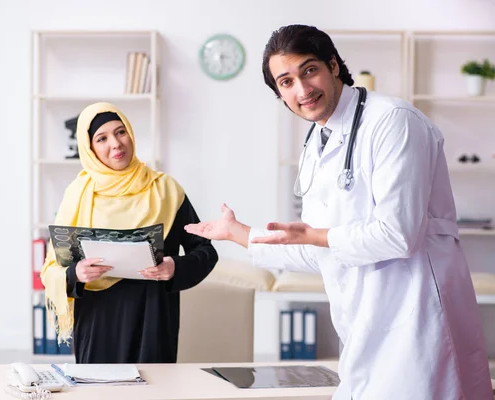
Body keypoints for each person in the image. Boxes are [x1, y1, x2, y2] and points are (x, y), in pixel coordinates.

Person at [185, 25, 492, 399]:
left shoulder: (393, 120)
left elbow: (397, 235)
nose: (302, 90)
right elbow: (323, 250)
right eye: (286, 82)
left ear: (333, 66)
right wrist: (239, 233)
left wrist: (314, 236)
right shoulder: (319, 139)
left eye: (309, 70)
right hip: (364, 325)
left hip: (417, 319)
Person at [41, 102, 218, 364]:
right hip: (97, 321)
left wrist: (175, 267)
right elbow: (51, 269)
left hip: (154, 319)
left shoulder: (166, 190)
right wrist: (75, 273)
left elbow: (205, 251)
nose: (116, 143)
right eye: (102, 138)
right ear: (90, 149)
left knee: (154, 390)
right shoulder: (77, 195)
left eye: (120, 132)